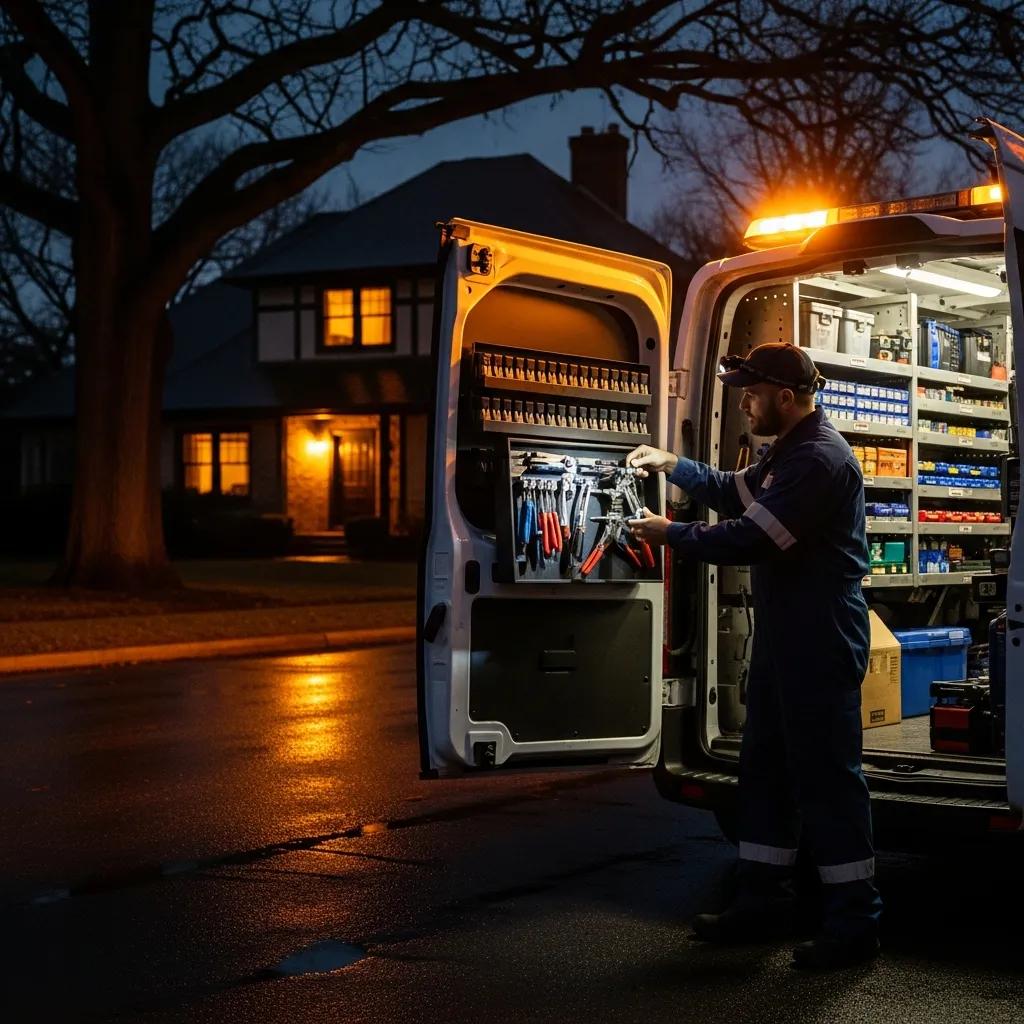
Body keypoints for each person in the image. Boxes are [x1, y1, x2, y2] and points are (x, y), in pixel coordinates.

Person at [626, 341, 882, 970]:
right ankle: (762, 901)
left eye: (752, 392)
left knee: (828, 782)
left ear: (785, 398)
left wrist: (672, 534)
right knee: (764, 772)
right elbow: (733, 492)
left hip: (819, 637)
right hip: (786, 637)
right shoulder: (788, 452)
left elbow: (751, 537)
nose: (745, 402)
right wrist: (673, 464)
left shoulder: (819, 460)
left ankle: (855, 924)